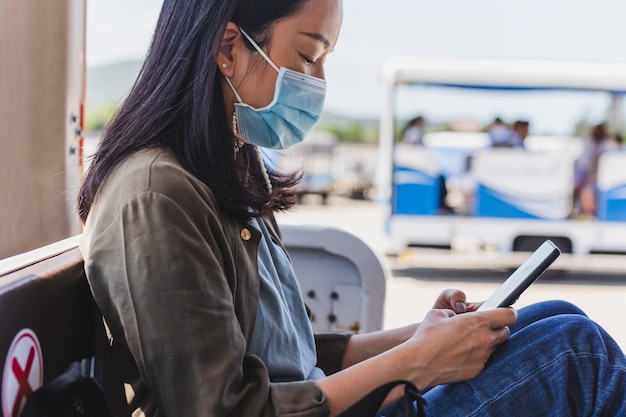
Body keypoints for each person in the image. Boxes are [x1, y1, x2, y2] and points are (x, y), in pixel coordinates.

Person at [77, 1, 626, 416]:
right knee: (577, 353)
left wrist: (424, 336)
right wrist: (418, 362)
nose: (318, 83)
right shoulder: (157, 197)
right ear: (227, 49)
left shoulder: (222, 172)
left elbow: (293, 355)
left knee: (554, 317)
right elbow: (226, 407)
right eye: (308, 57)